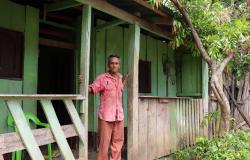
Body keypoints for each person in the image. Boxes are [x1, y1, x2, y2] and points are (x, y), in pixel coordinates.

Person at [80, 54, 128, 160]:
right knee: (103, 144)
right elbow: (93, 88)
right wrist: (83, 84)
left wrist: (125, 80)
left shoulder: (120, 77)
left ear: (119, 65)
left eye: (116, 63)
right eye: (112, 63)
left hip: (119, 115)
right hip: (106, 116)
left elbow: (120, 88)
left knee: (118, 142)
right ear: (108, 65)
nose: (114, 65)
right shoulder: (102, 78)